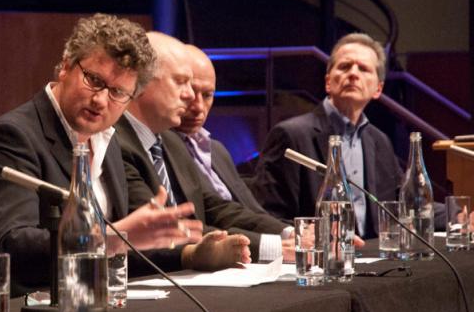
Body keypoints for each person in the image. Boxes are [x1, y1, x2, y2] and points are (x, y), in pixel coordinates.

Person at [0, 13, 227, 295]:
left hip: (98, 301)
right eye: (93, 80)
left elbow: (124, 247)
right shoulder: (13, 136)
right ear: (66, 66)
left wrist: (191, 254)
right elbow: (14, 247)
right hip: (31, 310)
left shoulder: (108, 141)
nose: (100, 100)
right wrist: (110, 239)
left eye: (118, 92)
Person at [117, 31, 291, 264]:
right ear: (141, 81)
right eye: (181, 82)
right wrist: (273, 248)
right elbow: (160, 229)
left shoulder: (171, 141)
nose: (190, 96)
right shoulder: (115, 142)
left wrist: (289, 236)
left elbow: (215, 207)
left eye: (206, 94)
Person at [252, 32, 443, 238]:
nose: (353, 73)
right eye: (344, 66)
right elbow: (268, 214)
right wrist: (308, 236)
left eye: (363, 69)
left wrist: (456, 212)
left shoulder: (379, 141)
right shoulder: (291, 135)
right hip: (320, 253)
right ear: (328, 82)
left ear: (378, 89)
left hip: (374, 253)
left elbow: (405, 201)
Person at [170, 44, 296, 261]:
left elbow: (248, 211)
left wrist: (293, 233)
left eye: (207, 95)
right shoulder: (161, 147)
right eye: (189, 93)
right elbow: (212, 217)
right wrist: (275, 246)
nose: (198, 107)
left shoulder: (217, 149)